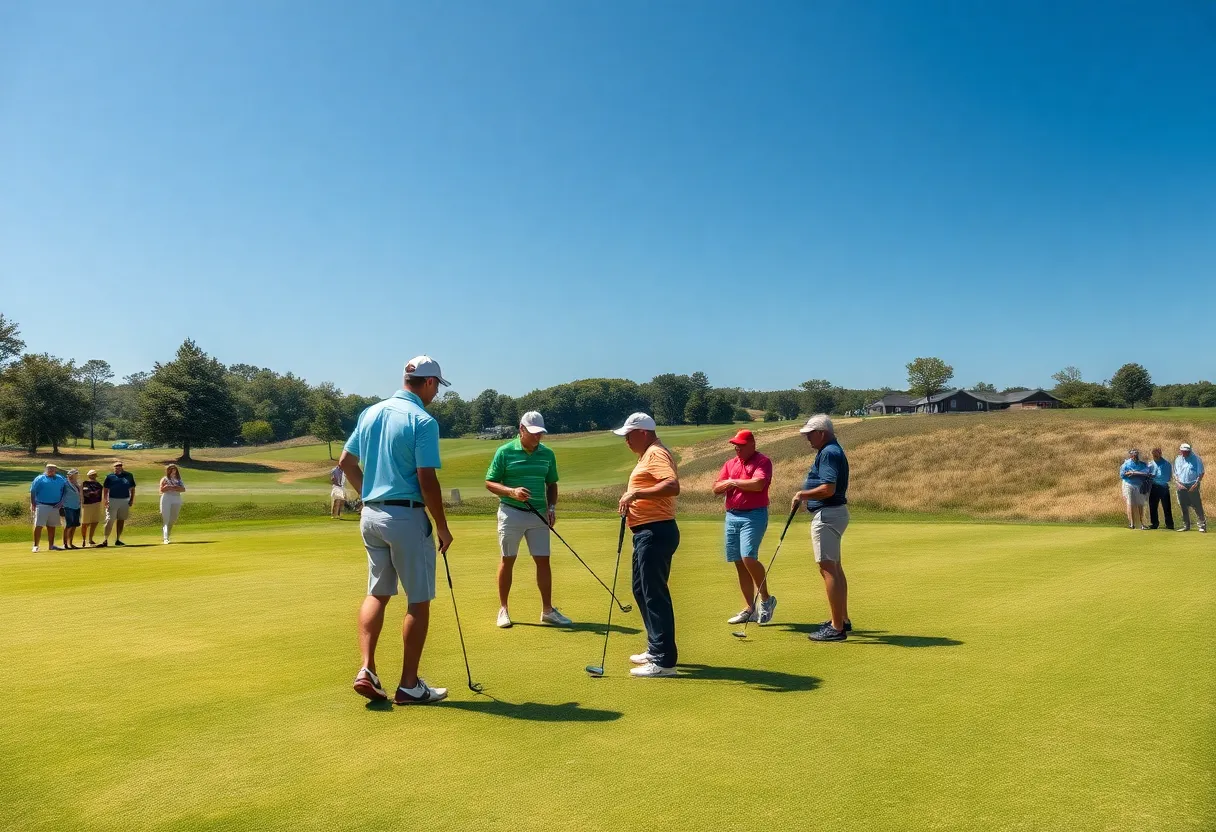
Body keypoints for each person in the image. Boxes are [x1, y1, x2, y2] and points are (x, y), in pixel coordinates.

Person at [340, 355, 454, 705]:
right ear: (430, 383)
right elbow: (427, 479)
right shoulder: (423, 420)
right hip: (405, 517)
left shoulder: (370, 412)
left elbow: (346, 463)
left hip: (370, 516)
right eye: (437, 387)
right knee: (418, 600)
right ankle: (408, 685)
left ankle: (367, 670)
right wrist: (442, 526)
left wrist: (368, 497)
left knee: (377, 593)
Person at [484, 411, 571, 628]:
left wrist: (551, 507)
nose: (537, 437)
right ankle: (503, 609)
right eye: (533, 433)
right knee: (508, 559)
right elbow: (490, 482)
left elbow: (552, 484)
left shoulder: (547, 454)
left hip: (538, 514)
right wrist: (511, 491)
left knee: (543, 561)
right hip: (511, 512)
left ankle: (548, 611)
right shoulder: (504, 452)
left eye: (540, 433)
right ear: (521, 429)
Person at [615, 412, 681, 678]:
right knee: (641, 590)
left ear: (643, 432)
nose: (626, 442)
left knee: (654, 593)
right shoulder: (648, 454)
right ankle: (656, 647)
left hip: (656, 531)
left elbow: (672, 486)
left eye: (629, 436)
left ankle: (665, 661)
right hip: (645, 531)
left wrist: (636, 493)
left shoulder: (656, 454)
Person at [791, 415, 852, 642]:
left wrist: (802, 495)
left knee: (828, 569)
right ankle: (842, 619)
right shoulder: (832, 450)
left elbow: (828, 488)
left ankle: (837, 628)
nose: (807, 438)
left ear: (822, 433)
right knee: (834, 567)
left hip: (827, 514)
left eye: (810, 434)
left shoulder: (828, 452)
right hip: (833, 513)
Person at [712, 429, 777, 625]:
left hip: (754, 515)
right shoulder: (730, 463)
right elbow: (716, 488)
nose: (736, 448)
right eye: (735, 445)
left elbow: (757, 484)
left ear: (752, 445)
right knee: (739, 562)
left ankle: (766, 599)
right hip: (732, 515)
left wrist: (732, 482)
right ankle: (751, 609)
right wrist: (735, 483)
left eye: (740, 445)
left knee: (748, 556)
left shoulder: (762, 461)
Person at [30, 463, 68, 552]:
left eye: (52, 469)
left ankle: (51, 545)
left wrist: (62, 502)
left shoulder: (60, 478)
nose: (50, 470)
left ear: (55, 470)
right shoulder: (40, 478)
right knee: (39, 525)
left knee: (52, 526)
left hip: (55, 506)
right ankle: (35, 546)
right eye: (49, 468)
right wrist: (33, 503)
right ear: (46, 469)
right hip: (41, 504)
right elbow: (33, 491)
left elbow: (65, 490)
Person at [100, 460, 136, 547]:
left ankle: (118, 539)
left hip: (125, 500)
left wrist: (131, 499)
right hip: (112, 499)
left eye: (120, 466)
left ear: (122, 467)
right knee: (110, 520)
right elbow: (105, 490)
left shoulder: (129, 475)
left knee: (121, 519)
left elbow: (132, 488)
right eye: (116, 466)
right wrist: (105, 500)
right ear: (114, 467)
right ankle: (105, 539)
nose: (118, 467)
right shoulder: (110, 477)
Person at [1174, 443, 1206, 533]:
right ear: (1180, 450)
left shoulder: (1196, 459)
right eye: (1183, 451)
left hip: (1192, 485)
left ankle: (1202, 525)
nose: (1184, 453)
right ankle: (1186, 526)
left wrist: (1196, 483)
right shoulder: (1178, 459)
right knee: (1183, 506)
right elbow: (1176, 473)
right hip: (1181, 485)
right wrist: (1177, 482)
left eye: (1186, 451)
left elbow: (1201, 473)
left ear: (1189, 451)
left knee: (1196, 505)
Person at [1119, 449, 1152, 530]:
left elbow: (1147, 473)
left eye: (1136, 455)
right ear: (1131, 455)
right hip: (1129, 485)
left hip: (1140, 486)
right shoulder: (1126, 464)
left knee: (1140, 504)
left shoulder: (1143, 464)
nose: (1135, 456)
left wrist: (1132, 472)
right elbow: (1122, 474)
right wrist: (1132, 473)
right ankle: (1132, 524)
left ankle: (1142, 524)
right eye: (1133, 455)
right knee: (1130, 503)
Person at [1147, 448, 1175, 531]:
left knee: (1166, 506)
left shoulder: (1166, 464)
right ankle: (1154, 524)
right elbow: (1147, 475)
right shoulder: (1150, 464)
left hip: (1163, 487)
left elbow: (1168, 477)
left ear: (1160, 454)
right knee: (1153, 506)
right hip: (1154, 487)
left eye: (1156, 454)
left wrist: (1155, 478)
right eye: (1153, 454)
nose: (1155, 456)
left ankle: (1169, 524)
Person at [159, 464, 186, 544]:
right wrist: (167, 487)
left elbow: (183, 489)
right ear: (168, 471)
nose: (173, 471)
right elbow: (162, 490)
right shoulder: (165, 479)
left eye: (174, 469)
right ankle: (165, 538)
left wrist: (174, 488)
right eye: (171, 469)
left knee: (173, 519)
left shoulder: (179, 480)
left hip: (176, 498)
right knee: (166, 519)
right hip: (167, 498)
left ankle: (168, 535)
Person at [80, 470, 104, 546]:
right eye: (92, 475)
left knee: (94, 522)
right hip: (86, 505)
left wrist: (94, 494)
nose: (93, 476)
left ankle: (90, 539)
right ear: (89, 476)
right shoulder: (84, 484)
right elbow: (86, 494)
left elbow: (99, 494)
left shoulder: (98, 485)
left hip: (96, 504)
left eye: (94, 475)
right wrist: (93, 493)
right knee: (85, 523)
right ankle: (83, 539)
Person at [61, 469, 83, 549]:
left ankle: (71, 543)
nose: (76, 475)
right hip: (68, 506)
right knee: (68, 525)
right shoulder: (65, 483)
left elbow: (80, 494)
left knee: (74, 525)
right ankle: (65, 543)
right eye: (75, 474)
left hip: (77, 506)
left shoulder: (78, 484)